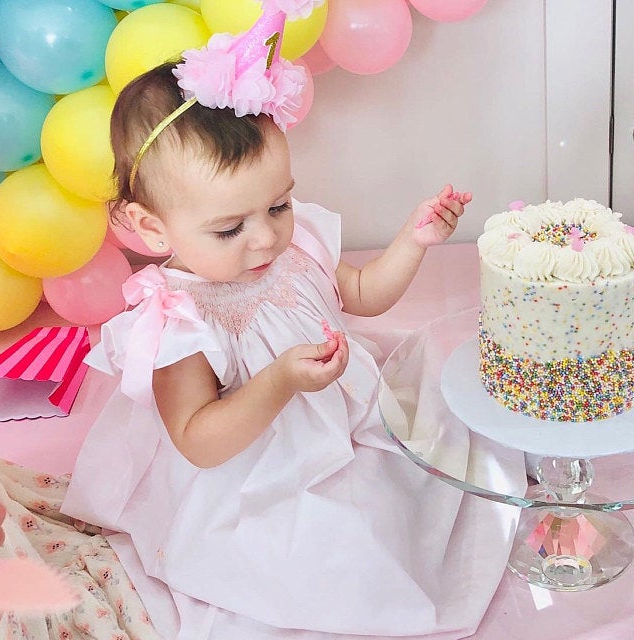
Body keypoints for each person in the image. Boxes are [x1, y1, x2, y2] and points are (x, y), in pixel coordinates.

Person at [61, 2, 518, 639]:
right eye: (228, 228)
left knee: (435, 443)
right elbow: (198, 437)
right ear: (150, 227)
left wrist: (414, 241)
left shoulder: (291, 240)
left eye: (277, 204)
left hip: (347, 416)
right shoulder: (179, 320)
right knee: (346, 561)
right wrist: (276, 381)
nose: (265, 239)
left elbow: (360, 293)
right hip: (257, 473)